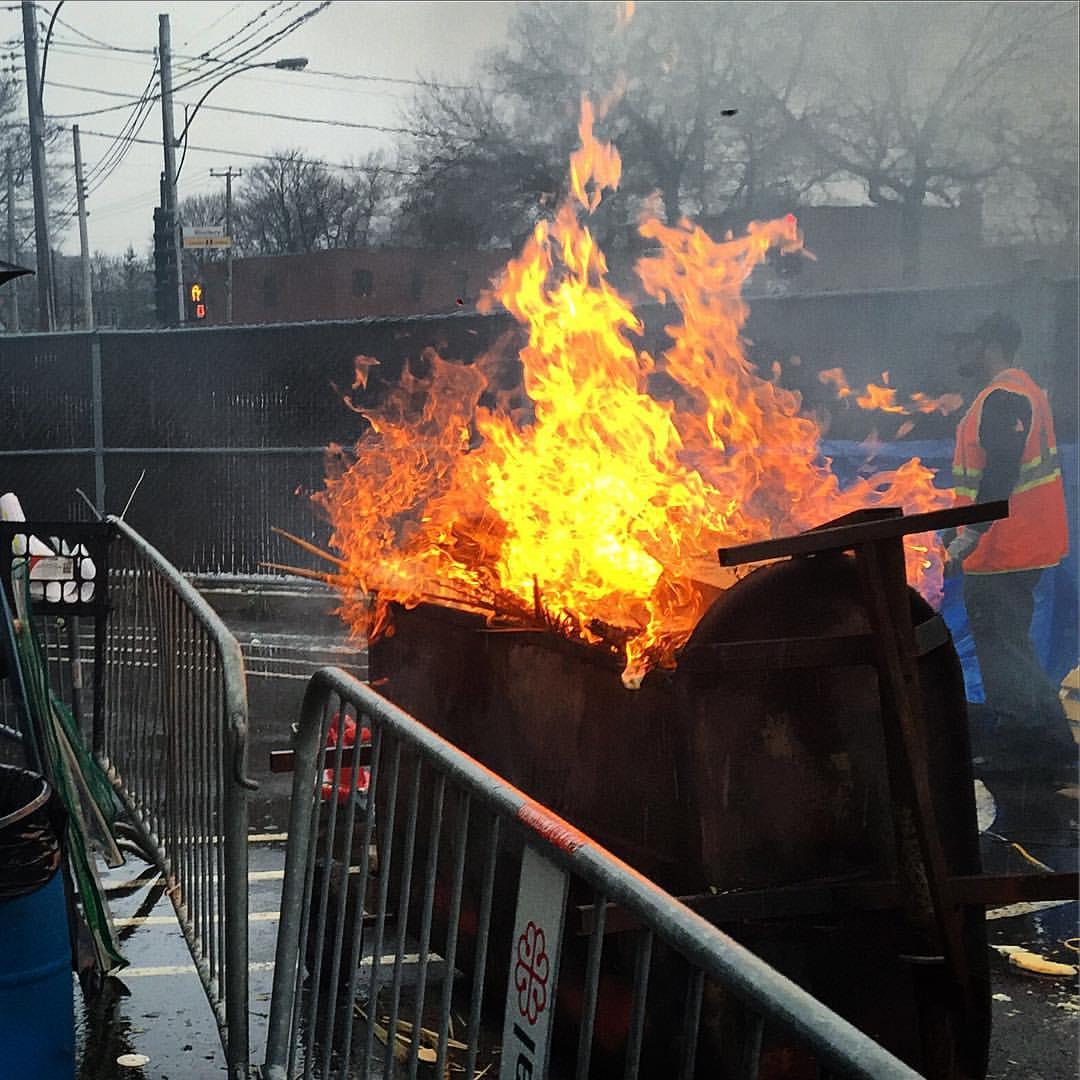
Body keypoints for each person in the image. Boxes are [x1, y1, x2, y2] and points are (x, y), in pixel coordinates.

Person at [945, 312, 1074, 775]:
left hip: (1003, 551)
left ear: (988, 343)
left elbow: (1000, 471)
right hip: (1017, 547)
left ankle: (1022, 750)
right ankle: (1056, 745)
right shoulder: (1019, 392)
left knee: (1002, 652)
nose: (957, 352)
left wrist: (970, 537)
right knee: (1015, 648)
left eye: (964, 342)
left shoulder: (1004, 397)